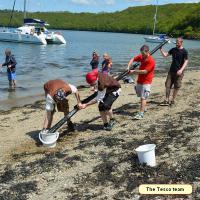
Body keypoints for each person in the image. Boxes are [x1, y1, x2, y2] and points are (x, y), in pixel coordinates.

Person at [127, 45, 156, 120]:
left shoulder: (151, 60)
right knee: (140, 96)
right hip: (140, 80)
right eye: (141, 53)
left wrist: (134, 71)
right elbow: (133, 58)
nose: (142, 55)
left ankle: (141, 113)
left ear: (147, 52)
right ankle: (143, 108)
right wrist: (128, 66)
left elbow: (145, 71)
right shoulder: (142, 56)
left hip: (146, 81)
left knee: (143, 97)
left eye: (143, 54)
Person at [160, 37, 188, 106]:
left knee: (176, 86)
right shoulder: (173, 49)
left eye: (178, 43)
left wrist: (181, 70)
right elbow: (165, 55)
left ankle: (173, 100)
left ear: (181, 43)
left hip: (179, 72)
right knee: (167, 85)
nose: (176, 44)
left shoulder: (184, 51)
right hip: (171, 71)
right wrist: (161, 49)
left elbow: (186, 61)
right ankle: (166, 100)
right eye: (176, 42)